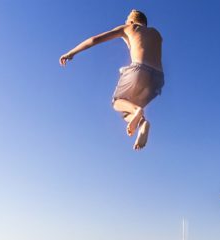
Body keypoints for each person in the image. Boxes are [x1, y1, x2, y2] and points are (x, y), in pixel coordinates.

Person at [59, 10, 164, 150]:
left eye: (127, 20)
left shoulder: (128, 28)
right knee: (127, 112)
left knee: (117, 102)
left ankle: (139, 112)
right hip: (158, 79)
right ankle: (142, 124)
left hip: (139, 70)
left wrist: (71, 53)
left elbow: (94, 40)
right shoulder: (157, 34)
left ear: (131, 21)